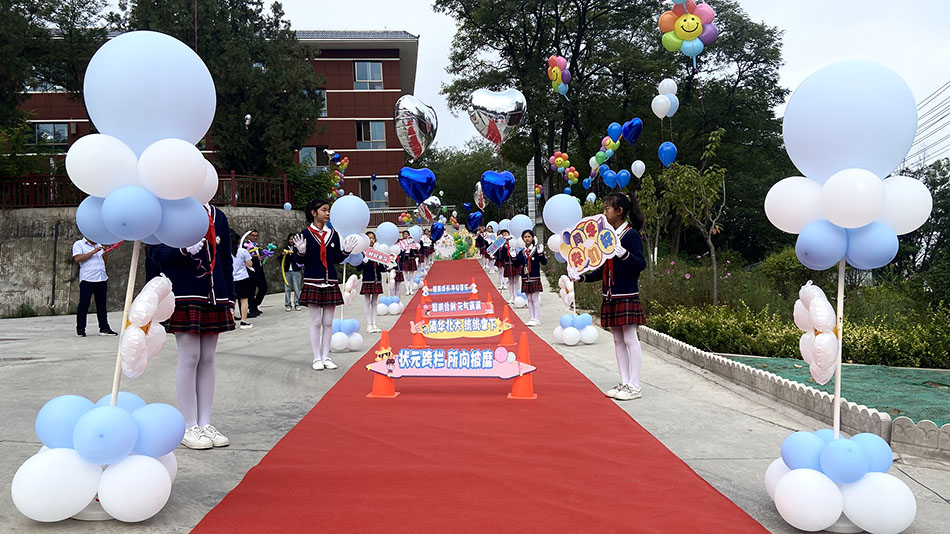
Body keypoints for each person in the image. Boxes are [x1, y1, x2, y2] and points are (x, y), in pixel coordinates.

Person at [154, 203, 235, 449]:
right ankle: (189, 424)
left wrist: (229, 296)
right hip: (185, 293)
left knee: (208, 358)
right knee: (189, 357)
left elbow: (225, 259)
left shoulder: (218, 216)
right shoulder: (173, 212)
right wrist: (181, 250)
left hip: (215, 294)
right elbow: (156, 254)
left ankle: (205, 422)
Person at [573, 192, 647, 401]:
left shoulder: (631, 235)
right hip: (610, 295)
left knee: (630, 338)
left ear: (619, 211)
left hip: (627, 294)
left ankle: (635, 385)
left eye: (607, 209)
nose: (604, 212)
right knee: (617, 340)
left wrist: (624, 254)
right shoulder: (608, 236)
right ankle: (624, 382)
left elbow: (640, 264)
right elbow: (602, 268)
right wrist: (583, 278)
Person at [292, 198, 359, 371]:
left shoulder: (333, 234)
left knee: (328, 322)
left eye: (328, 210)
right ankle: (316, 357)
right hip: (313, 281)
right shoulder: (305, 234)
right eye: (324, 210)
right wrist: (301, 252)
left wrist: (346, 251)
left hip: (330, 282)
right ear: (314, 213)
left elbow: (335, 258)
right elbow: (298, 261)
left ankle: (326, 356)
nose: (327, 213)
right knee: (315, 321)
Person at [72, 235, 118, 337]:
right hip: (87, 279)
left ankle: (104, 328)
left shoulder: (99, 244)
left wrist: (105, 253)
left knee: (102, 305)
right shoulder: (79, 244)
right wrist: (93, 251)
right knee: (84, 304)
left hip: (101, 278)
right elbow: (77, 258)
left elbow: (104, 262)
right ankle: (80, 329)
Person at [513, 229, 547, 326]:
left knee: (534, 297)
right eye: (525, 237)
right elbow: (516, 265)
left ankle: (537, 318)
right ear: (523, 239)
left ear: (532, 238)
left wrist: (541, 254)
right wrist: (514, 257)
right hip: (525, 277)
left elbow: (544, 262)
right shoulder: (522, 252)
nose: (527, 239)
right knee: (528, 299)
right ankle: (532, 317)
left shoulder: (536, 250)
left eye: (529, 237)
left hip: (534, 277)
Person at [357, 231, 385, 333]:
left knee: (374, 303)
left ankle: (374, 324)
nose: (371, 240)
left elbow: (382, 269)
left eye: (373, 238)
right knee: (367, 302)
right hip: (367, 279)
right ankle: (368, 325)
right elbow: (359, 268)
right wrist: (365, 259)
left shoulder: (377, 252)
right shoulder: (362, 252)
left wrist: (386, 265)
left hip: (377, 279)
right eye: (369, 238)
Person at [231, 232, 254, 329]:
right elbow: (250, 264)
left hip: (231, 279)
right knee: (244, 300)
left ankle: (231, 322)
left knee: (232, 301)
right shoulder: (243, 251)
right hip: (242, 278)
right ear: (239, 241)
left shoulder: (225, 252)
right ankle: (243, 321)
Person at [245, 229, 267, 318]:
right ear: (249, 236)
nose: (255, 237)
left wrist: (263, 257)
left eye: (256, 236)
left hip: (260, 269)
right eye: (253, 235)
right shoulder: (246, 246)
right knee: (251, 290)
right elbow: (246, 257)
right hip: (252, 270)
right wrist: (256, 259)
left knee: (264, 288)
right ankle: (252, 308)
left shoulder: (257, 246)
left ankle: (255, 304)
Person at [282, 233, 303, 311]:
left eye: (293, 239)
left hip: (296, 270)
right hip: (287, 271)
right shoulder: (285, 248)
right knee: (287, 288)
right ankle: (288, 304)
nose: (292, 241)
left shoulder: (298, 248)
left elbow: (299, 257)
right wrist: (284, 254)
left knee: (297, 288)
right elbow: (281, 258)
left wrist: (292, 252)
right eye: (290, 239)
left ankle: (297, 303)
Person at [396, 231, 418, 296]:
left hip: (411, 259)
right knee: (405, 276)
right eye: (404, 234)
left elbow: (416, 250)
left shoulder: (412, 242)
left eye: (407, 234)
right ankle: (407, 290)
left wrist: (413, 247)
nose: (405, 235)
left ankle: (411, 289)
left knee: (412, 276)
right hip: (405, 260)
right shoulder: (401, 243)